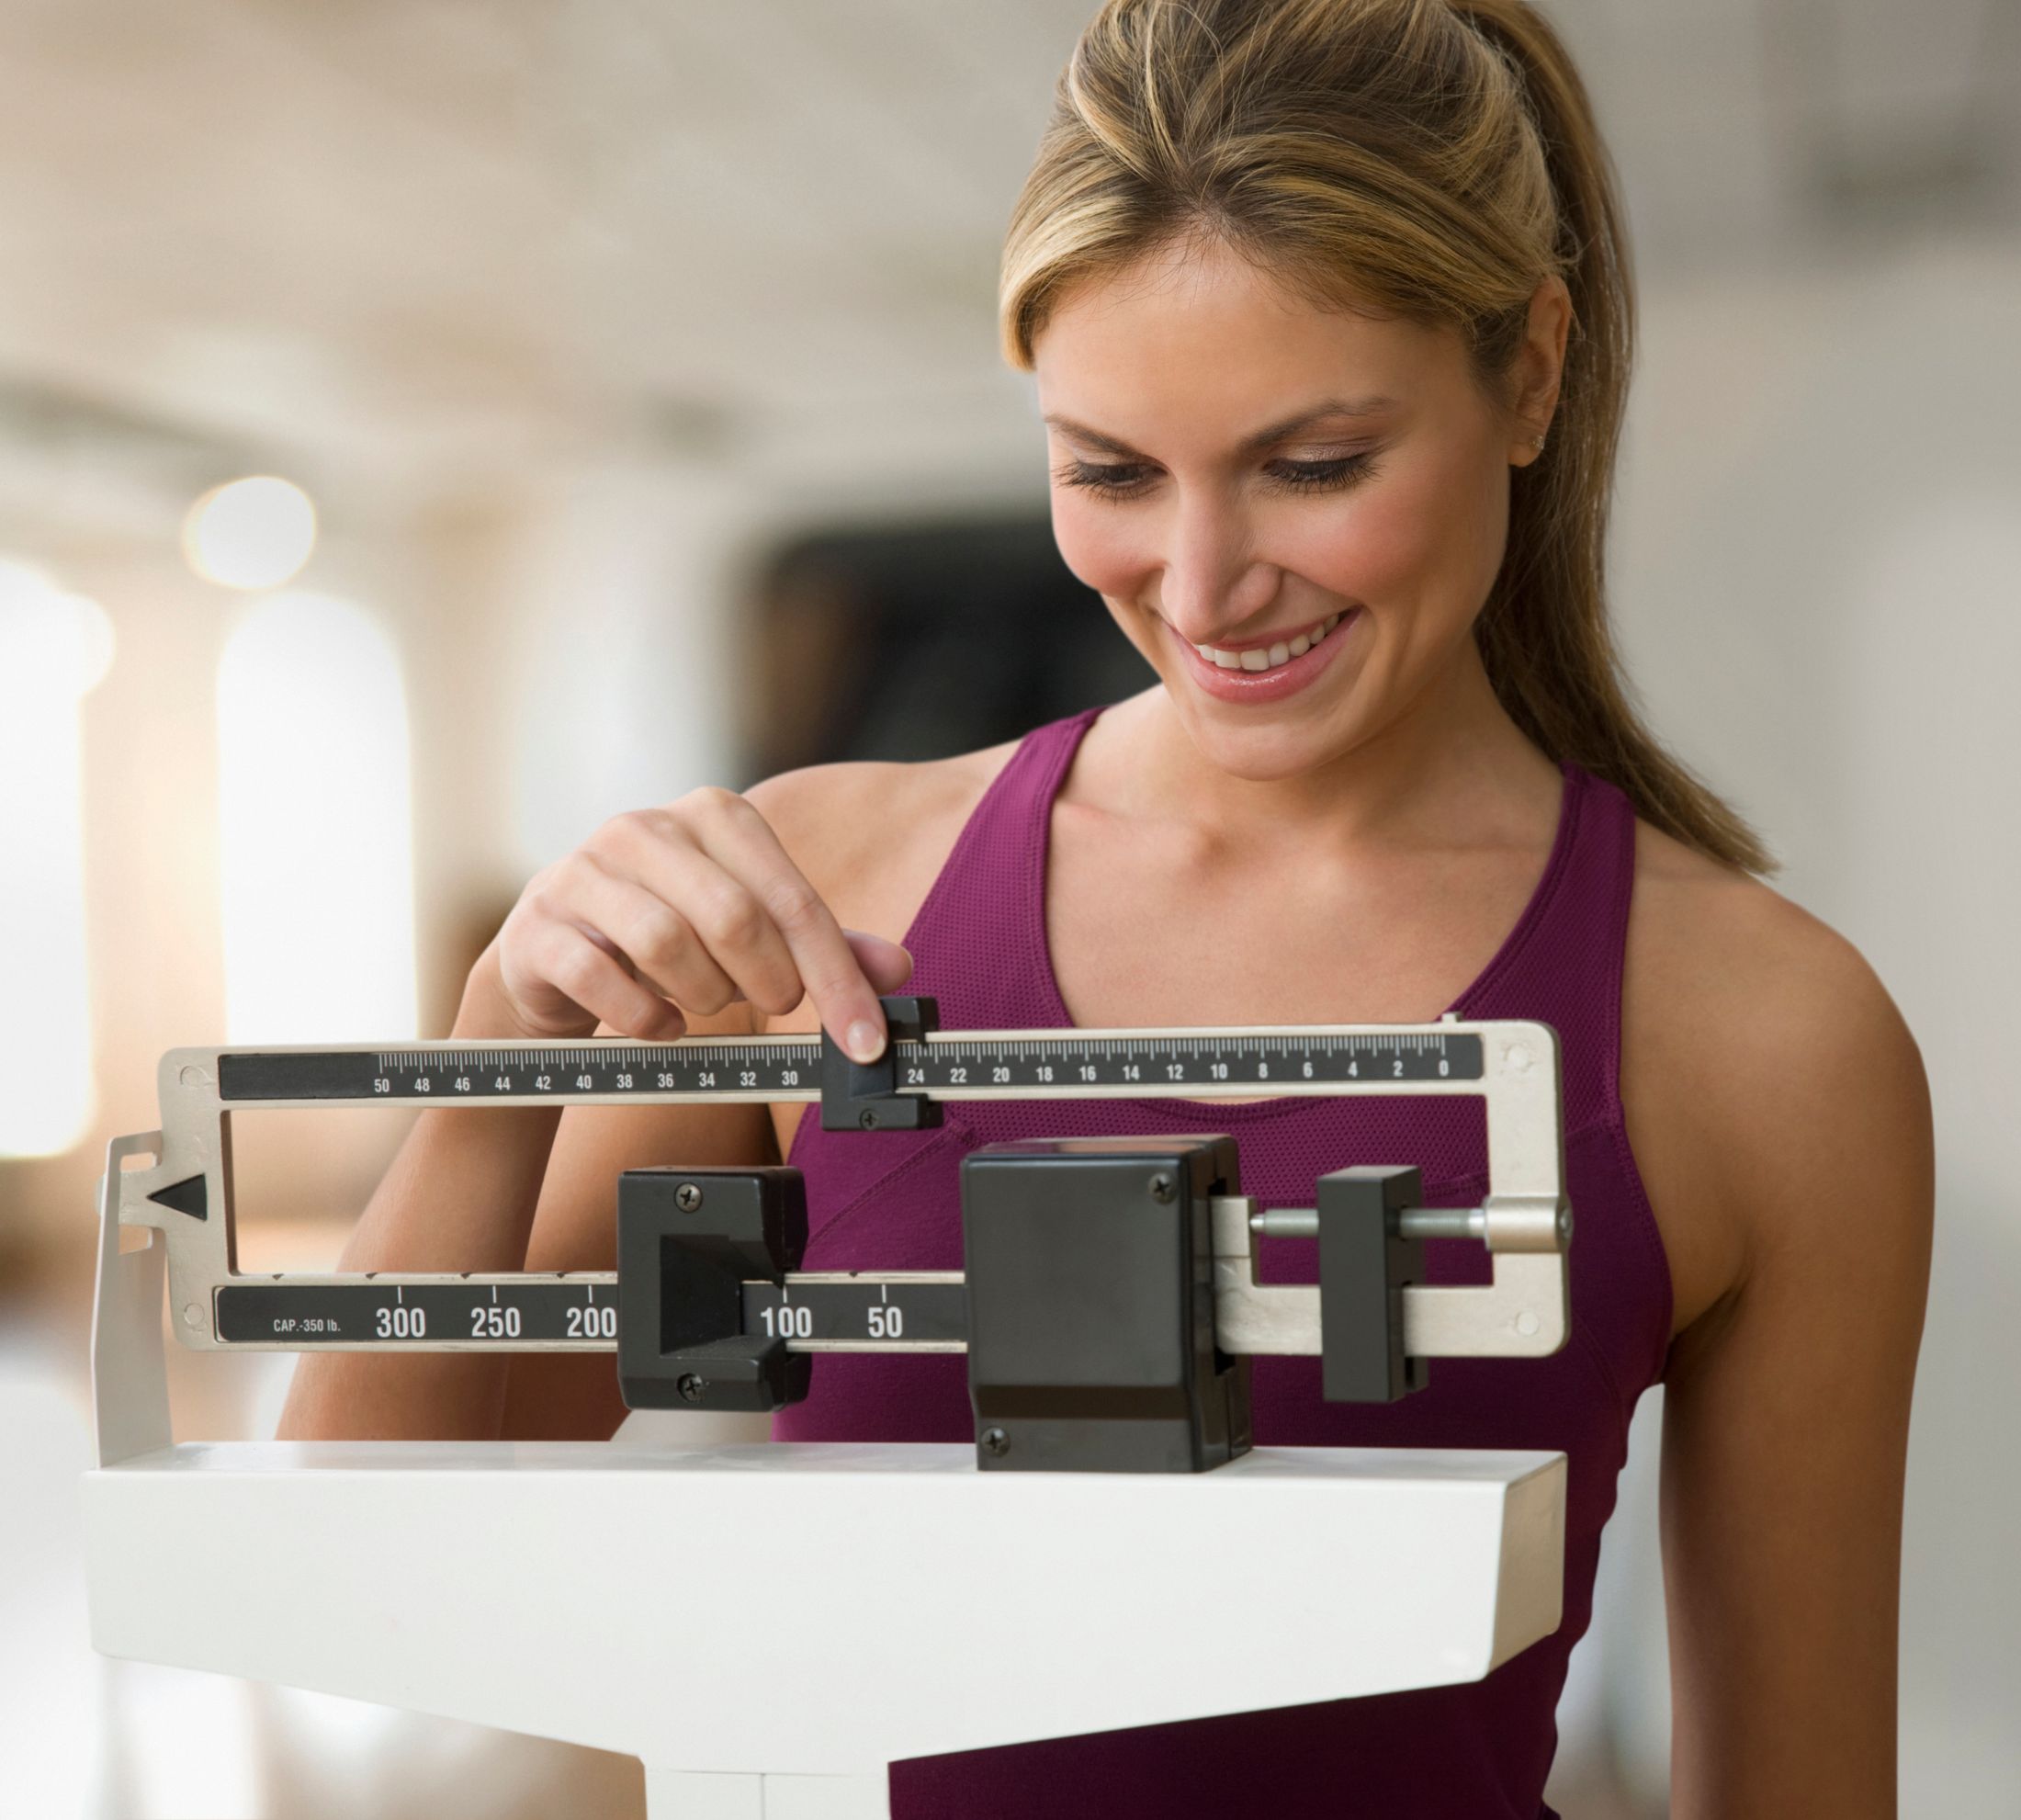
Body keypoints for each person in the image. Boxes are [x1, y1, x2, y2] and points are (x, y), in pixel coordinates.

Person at [280, 1, 1934, 1813]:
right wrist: (505, 1031)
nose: (1205, 583)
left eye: (1313, 463)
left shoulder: (1761, 1038)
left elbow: (1795, 1785)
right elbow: (368, 1549)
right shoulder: (832, 890)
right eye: (1111, 472)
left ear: (1527, 373)